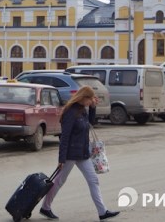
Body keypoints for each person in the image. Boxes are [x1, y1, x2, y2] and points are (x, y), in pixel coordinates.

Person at [39, 85, 120, 221]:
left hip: (83, 153)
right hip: (70, 154)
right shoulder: (70, 112)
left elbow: (90, 123)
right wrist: (61, 158)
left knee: (93, 180)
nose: (91, 102)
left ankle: (102, 212)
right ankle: (45, 207)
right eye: (91, 100)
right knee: (59, 181)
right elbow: (65, 136)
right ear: (84, 98)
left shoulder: (82, 110)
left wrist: (93, 108)